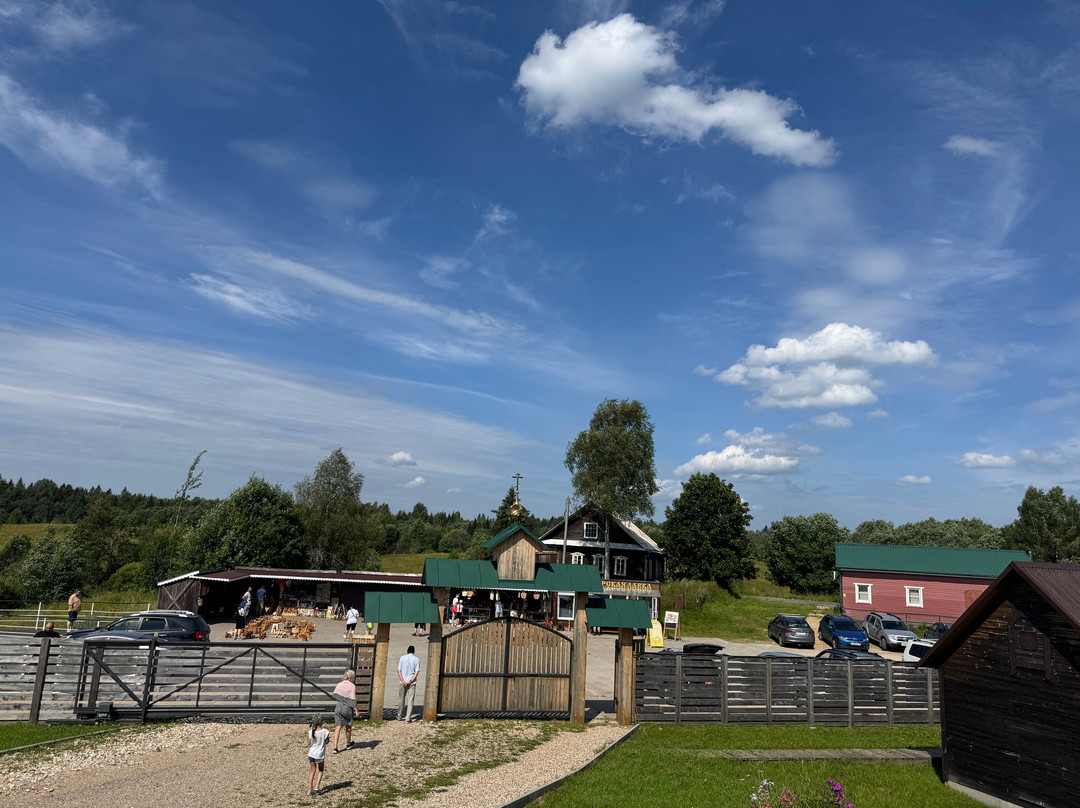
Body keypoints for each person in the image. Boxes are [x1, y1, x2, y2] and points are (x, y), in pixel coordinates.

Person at [331, 669, 359, 753]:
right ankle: (348, 743)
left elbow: (335, 694)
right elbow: (353, 699)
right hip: (347, 708)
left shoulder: (339, 684)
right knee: (348, 726)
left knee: (338, 726)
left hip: (339, 706)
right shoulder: (352, 686)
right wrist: (356, 710)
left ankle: (335, 747)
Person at [306, 714, 330, 796]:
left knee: (312, 771)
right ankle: (317, 786)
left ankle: (310, 789)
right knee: (320, 770)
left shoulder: (311, 732)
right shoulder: (325, 732)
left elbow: (309, 743)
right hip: (319, 754)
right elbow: (326, 742)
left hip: (311, 754)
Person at [397, 645, 420, 722]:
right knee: (410, 700)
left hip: (402, 682)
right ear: (414, 651)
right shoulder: (416, 659)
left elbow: (399, 670)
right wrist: (410, 681)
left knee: (401, 700)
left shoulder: (402, 658)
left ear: (407, 651)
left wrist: (403, 680)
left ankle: (399, 716)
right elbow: (416, 672)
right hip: (411, 682)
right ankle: (407, 717)